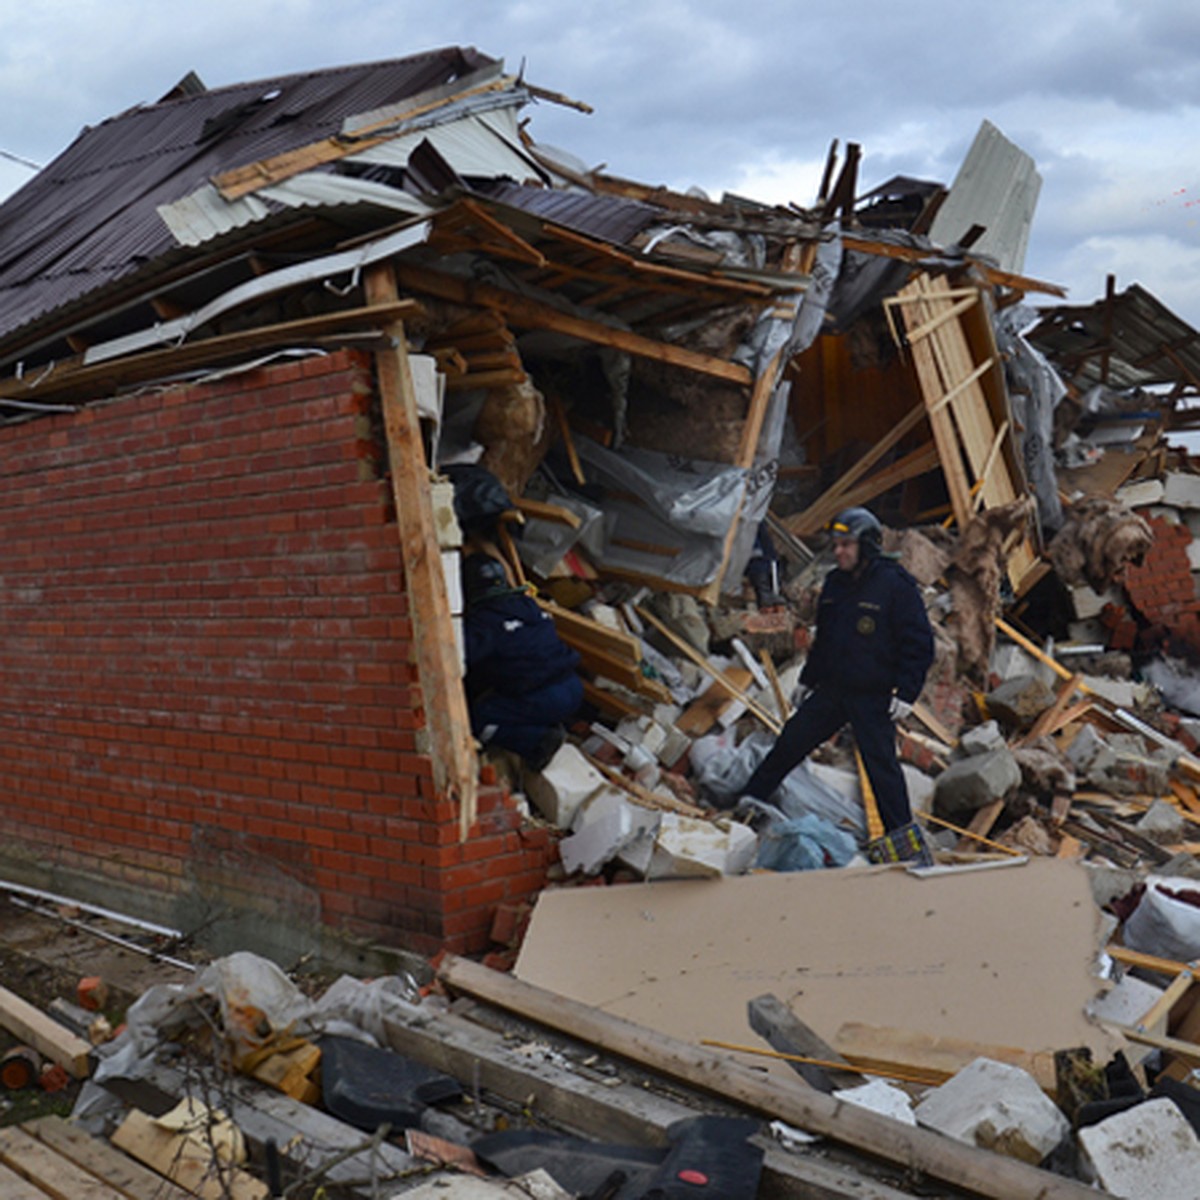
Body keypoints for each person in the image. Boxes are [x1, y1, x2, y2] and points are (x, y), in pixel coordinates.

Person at [740, 506, 934, 835]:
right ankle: (746, 802)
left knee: (882, 770)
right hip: (833, 690)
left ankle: (903, 841)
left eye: (847, 544)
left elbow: (919, 644)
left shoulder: (894, 586)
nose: (838, 551)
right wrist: (807, 681)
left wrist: (907, 692)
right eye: (836, 544)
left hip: (873, 697)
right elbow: (826, 640)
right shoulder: (834, 585)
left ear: (868, 545)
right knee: (790, 743)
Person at [461, 552, 583, 771]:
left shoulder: (484, 620)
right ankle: (548, 725)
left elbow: (460, 658)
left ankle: (538, 741)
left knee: (476, 720)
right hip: (573, 686)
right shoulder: (527, 605)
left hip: (546, 697)